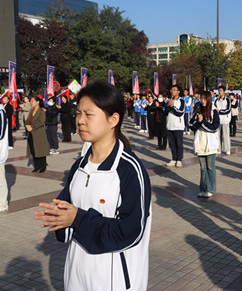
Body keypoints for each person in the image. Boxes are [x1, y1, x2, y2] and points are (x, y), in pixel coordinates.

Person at [34, 81, 152, 290]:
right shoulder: (80, 166)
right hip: (76, 277)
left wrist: (78, 218)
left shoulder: (130, 170)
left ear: (113, 119)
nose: (80, 121)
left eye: (89, 115)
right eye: (78, 113)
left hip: (114, 280)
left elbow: (131, 231)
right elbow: (68, 215)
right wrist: (58, 217)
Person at [189, 91, 221, 198]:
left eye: (204, 98)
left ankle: (211, 189)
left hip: (210, 144)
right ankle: (203, 188)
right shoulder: (198, 110)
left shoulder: (214, 111)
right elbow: (191, 125)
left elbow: (214, 127)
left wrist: (202, 122)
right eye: (201, 98)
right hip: (200, 143)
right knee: (203, 168)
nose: (202, 101)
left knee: (210, 167)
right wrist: (199, 122)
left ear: (208, 99)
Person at [26, 96, 50, 173]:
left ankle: (43, 166)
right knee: (33, 150)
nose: (31, 102)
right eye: (30, 101)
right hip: (31, 134)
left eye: (32, 101)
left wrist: (32, 127)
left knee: (41, 150)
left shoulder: (41, 111)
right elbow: (27, 120)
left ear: (37, 102)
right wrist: (27, 125)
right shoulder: (31, 111)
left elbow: (41, 122)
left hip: (39, 133)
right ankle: (37, 166)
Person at [165, 85, 186, 167]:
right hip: (169, 125)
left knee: (179, 144)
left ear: (178, 92)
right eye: (171, 89)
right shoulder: (169, 101)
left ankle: (179, 159)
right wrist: (169, 106)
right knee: (171, 144)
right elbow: (165, 112)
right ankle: (174, 158)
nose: (172, 91)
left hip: (178, 126)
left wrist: (172, 107)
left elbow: (180, 112)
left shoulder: (182, 101)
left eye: (174, 90)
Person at [214, 86, 232, 155]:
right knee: (218, 136)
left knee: (226, 136)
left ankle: (227, 149)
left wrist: (220, 111)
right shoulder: (216, 100)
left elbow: (228, 109)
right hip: (218, 120)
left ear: (224, 92)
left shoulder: (227, 100)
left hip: (225, 120)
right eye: (219, 91)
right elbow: (214, 108)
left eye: (221, 90)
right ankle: (219, 149)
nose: (219, 92)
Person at [0, 102, 9, 212]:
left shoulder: (1, 111)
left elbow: (1, 133)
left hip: (0, 153)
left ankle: (2, 203)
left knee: (0, 180)